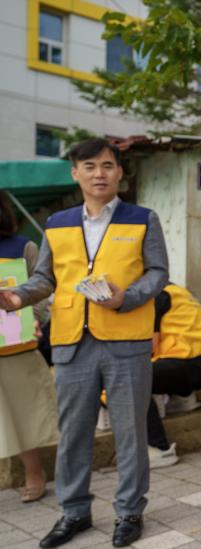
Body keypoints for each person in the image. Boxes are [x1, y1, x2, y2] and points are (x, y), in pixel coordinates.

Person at [0, 139, 168, 548]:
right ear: (75, 173)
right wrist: (17, 297)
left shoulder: (142, 218)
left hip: (126, 339)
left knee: (129, 431)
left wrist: (125, 297)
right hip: (72, 341)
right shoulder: (57, 223)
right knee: (73, 432)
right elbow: (45, 279)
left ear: (119, 173)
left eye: (107, 166)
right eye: (89, 166)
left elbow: (158, 273)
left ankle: (129, 511)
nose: (99, 174)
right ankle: (74, 511)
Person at [0, 190, 58, 504]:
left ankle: (34, 471)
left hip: (14, 345)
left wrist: (32, 320)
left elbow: (43, 290)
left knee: (22, 412)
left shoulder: (22, 247)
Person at [146, 283, 201, 468]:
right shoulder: (175, 291)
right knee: (159, 367)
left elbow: (150, 345)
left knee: (135, 378)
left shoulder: (156, 295)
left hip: (190, 363)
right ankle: (184, 402)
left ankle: (159, 448)